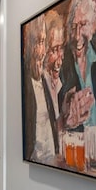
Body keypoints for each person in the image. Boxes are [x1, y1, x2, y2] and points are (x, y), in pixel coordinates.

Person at [59, 0, 96, 130]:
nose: (76, 35)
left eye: (83, 25)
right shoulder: (63, 61)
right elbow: (61, 116)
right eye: (73, 26)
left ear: (93, 25)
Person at [23, 14, 58, 162]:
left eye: (44, 43)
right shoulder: (25, 83)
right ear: (29, 45)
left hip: (50, 162)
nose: (44, 51)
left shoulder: (43, 80)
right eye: (40, 42)